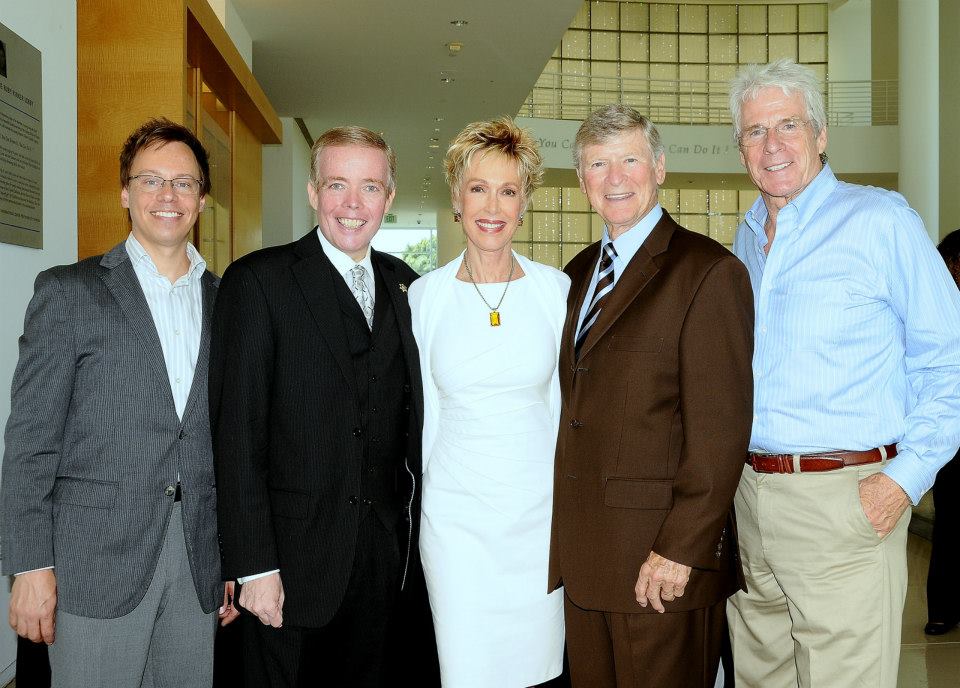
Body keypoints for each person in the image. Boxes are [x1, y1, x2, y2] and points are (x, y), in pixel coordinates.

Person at [726, 59, 960, 688]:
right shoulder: (744, 241)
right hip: (751, 501)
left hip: (847, 501)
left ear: (821, 134)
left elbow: (951, 361)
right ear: (739, 147)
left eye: (788, 125)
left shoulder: (882, 222)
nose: (771, 145)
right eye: (754, 132)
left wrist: (904, 481)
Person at [1, 118, 237, 687]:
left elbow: (230, 441)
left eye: (184, 183)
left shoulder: (228, 300)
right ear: (124, 193)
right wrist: (30, 567)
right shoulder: (68, 292)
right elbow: (31, 441)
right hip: (95, 566)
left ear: (202, 200)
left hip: (196, 565)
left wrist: (229, 558)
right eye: (150, 179)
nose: (167, 195)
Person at [209, 126, 436, 687]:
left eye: (370, 187)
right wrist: (254, 565)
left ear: (388, 196)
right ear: (313, 192)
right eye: (338, 185)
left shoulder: (409, 286)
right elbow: (236, 433)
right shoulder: (258, 282)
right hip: (288, 567)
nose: (353, 204)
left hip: (383, 564)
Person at [549, 104, 754, 687]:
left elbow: (721, 431)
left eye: (630, 160)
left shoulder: (708, 272)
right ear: (583, 179)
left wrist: (681, 550)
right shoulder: (579, 272)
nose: (615, 178)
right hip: (588, 561)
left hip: (660, 566)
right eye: (598, 164)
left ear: (659, 167)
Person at [409, 118, 570, 687]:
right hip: (456, 528)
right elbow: (422, 417)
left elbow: (565, 412)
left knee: (538, 672)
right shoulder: (424, 297)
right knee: (466, 672)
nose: (492, 205)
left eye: (508, 189)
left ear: (525, 202)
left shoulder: (557, 293)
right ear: (456, 197)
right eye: (478, 188)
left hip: (538, 525)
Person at [924, 229, 960, 636]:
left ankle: (944, 609)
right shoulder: (937, 305)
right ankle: (943, 608)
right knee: (949, 527)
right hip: (949, 438)